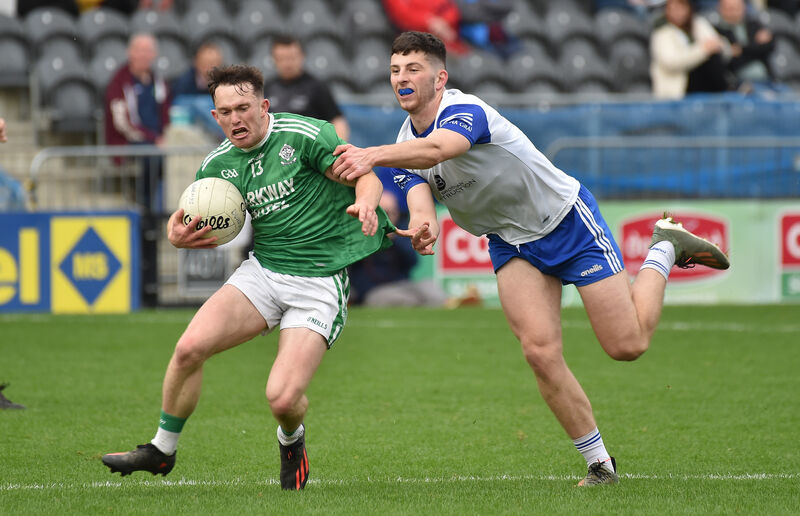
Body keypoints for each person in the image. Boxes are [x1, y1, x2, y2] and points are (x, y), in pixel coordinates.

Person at [330, 31, 730, 486]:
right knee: (539, 351)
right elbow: (422, 204)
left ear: (440, 78)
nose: (401, 78)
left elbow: (442, 149)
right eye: (395, 70)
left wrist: (370, 155)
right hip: (509, 241)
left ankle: (664, 247)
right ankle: (600, 464)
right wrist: (424, 228)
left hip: (566, 222)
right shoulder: (403, 147)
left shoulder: (464, 111)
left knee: (627, 346)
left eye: (413, 69)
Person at [101, 64, 395, 490]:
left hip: (318, 281)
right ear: (215, 116)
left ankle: (291, 438)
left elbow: (363, 174)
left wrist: (366, 203)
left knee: (282, 398)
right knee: (188, 349)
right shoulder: (218, 164)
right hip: (264, 272)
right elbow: (189, 217)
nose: (235, 119)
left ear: (263, 105)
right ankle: (162, 450)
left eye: (243, 107)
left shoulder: (305, 135)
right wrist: (175, 233)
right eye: (224, 112)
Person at [349, 190, 448, 307]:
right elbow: (351, 263)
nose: (388, 218)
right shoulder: (358, 230)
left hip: (404, 284)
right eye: (383, 213)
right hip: (374, 290)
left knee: (431, 288)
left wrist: (394, 238)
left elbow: (413, 261)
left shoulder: (401, 229)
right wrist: (376, 238)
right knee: (400, 299)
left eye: (392, 213)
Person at [263, 35, 350, 140]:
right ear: (274, 59)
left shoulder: (317, 87)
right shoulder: (267, 88)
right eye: (282, 59)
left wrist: (338, 149)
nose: (287, 63)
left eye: (292, 58)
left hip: (309, 150)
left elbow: (337, 122)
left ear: (302, 56)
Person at [650, 0, 734, 99]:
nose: (676, 12)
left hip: (708, 83)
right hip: (679, 90)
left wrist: (714, 47)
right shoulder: (662, 33)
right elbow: (671, 62)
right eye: (672, 9)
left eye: (680, 8)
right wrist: (702, 50)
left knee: (714, 59)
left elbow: (722, 48)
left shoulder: (699, 24)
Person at [713, 0, 779, 92]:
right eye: (729, 8)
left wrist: (742, 50)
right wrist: (755, 47)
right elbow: (732, 61)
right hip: (739, 85)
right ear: (720, 9)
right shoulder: (717, 32)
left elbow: (769, 47)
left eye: (737, 8)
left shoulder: (753, 25)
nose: (733, 12)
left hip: (769, 80)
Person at [383, 0, 471, 56]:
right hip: (415, 43)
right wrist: (430, 22)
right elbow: (402, 15)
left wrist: (444, 24)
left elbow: (450, 9)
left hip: (449, 42)